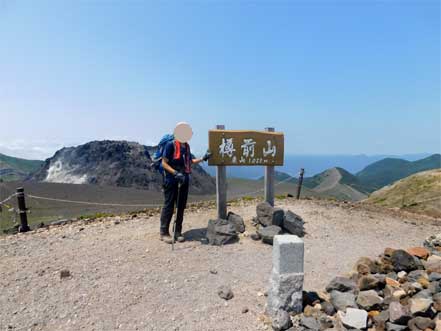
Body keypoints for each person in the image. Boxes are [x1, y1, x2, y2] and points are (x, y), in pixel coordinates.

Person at [159, 122, 211, 244]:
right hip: (171, 181)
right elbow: (164, 163)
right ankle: (164, 232)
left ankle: (177, 232)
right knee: (169, 206)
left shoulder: (186, 146)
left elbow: (189, 161)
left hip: (184, 181)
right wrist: (175, 173)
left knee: (181, 206)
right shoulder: (170, 145)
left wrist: (203, 158)